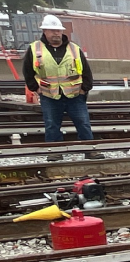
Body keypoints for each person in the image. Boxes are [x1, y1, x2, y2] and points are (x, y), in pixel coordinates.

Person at [22, 14, 101, 160]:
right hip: (49, 95)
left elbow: (86, 71)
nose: (56, 33)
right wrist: (36, 89)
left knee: (83, 123)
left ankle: (90, 150)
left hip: (75, 95)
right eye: (53, 30)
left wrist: (85, 89)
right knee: (52, 125)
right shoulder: (35, 49)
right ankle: (54, 152)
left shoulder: (74, 48)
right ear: (45, 31)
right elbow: (28, 72)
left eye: (58, 30)